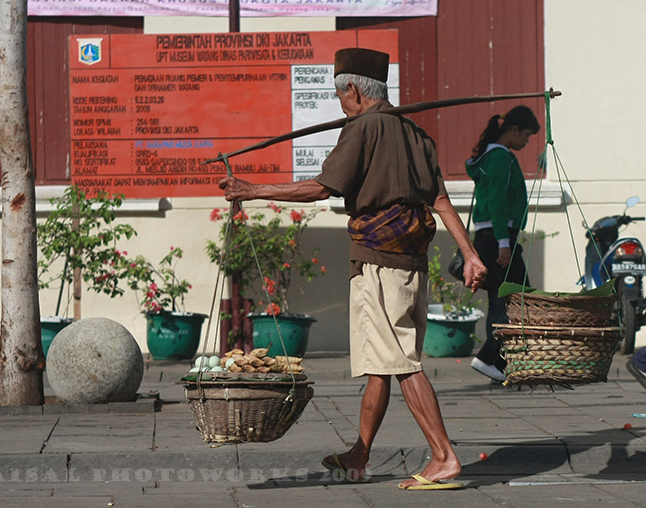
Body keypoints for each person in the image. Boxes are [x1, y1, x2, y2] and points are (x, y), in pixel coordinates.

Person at [219, 47, 487, 490]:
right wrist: (470, 254)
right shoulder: (415, 134)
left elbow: (320, 188)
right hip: (411, 265)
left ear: (354, 92)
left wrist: (253, 189)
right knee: (383, 363)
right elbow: (439, 200)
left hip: (381, 265)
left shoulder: (361, 128)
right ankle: (359, 454)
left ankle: (443, 457)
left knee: (401, 361)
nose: (340, 104)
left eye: (340, 94)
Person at [466, 106, 540, 383]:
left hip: (491, 237)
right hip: (497, 237)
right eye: (527, 137)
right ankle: (489, 358)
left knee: (499, 300)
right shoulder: (499, 158)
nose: (526, 143)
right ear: (514, 130)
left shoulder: (493, 157)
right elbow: (497, 202)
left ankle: (499, 363)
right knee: (520, 299)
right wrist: (503, 243)